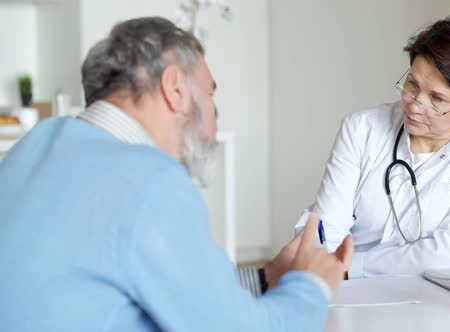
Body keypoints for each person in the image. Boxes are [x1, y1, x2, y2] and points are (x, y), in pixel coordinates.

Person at [0, 17, 353, 331]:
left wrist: (266, 277)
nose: (214, 123)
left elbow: (137, 281)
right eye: (211, 98)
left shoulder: (35, 145)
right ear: (175, 89)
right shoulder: (149, 179)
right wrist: (312, 284)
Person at [295, 16, 450, 278]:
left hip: (432, 293)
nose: (415, 105)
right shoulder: (361, 128)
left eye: (436, 99)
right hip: (346, 289)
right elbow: (328, 229)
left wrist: (350, 267)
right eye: (412, 84)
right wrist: (327, 266)